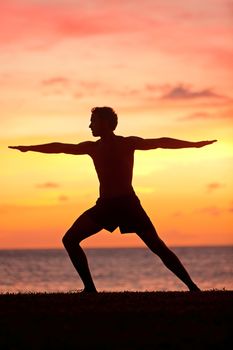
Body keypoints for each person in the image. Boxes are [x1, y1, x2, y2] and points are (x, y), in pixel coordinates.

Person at [9, 106, 217, 293]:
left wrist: (195, 145)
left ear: (107, 123)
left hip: (128, 204)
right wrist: (29, 148)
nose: (90, 125)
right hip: (105, 206)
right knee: (70, 239)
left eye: (94, 121)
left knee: (158, 247)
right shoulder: (92, 147)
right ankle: (90, 288)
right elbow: (60, 147)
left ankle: (192, 287)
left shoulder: (128, 143)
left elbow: (161, 142)